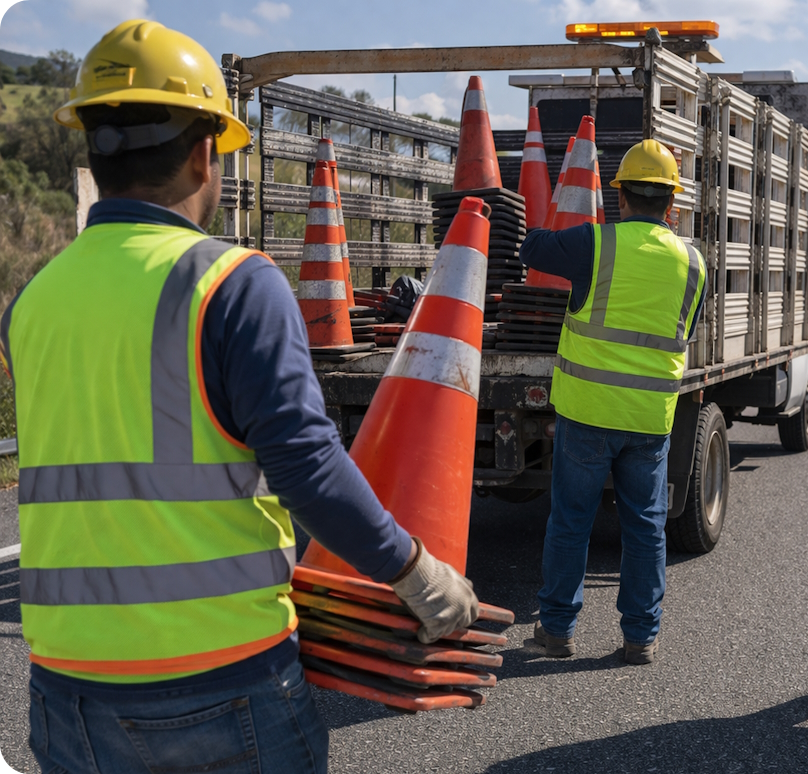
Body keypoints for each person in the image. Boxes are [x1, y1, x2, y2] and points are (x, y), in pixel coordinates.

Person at [0, 20, 477, 774]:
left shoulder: (32, 300)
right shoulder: (230, 283)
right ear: (203, 153)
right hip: (216, 676)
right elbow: (306, 465)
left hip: (68, 686)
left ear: (91, 148)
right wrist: (414, 572)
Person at [519, 140, 705, 665]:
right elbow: (683, 330)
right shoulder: (694, 263)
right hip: (649, 419)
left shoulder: (593, 244)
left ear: (619, 197)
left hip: (586, 412)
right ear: (671, 203)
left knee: (571, 521)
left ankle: (556, 631)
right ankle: (640, 638)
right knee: (645, 527)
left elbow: (533, 249)